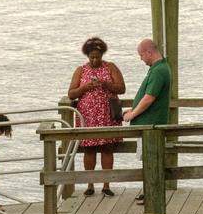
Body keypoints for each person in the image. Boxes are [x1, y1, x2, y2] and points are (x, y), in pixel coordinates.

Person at [67, 36, 126, 197]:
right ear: (87, 56)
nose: (94, 60)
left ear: (102, 55)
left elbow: (122, 88)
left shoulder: (111, 67)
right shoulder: (81, 70)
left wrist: (105, 84)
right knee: (89, 149)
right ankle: (90, 184)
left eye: (97, 57)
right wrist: (85, 87)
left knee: (107, 148)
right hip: (88, 116)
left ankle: (106, 185)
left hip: (106, 114)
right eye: (92, 57)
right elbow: (71, 93)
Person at [123, 39, 172, 204]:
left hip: (152, 125)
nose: (141, 59)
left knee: (152, 159)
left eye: (141, 55)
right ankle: (148, 191)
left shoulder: (159, 71)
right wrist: (133, 111)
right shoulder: (157, 68)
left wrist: (132, 114)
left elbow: (149, 97)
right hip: (148, 124)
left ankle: (152, 194)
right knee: (148, 159)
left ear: (148, 52)